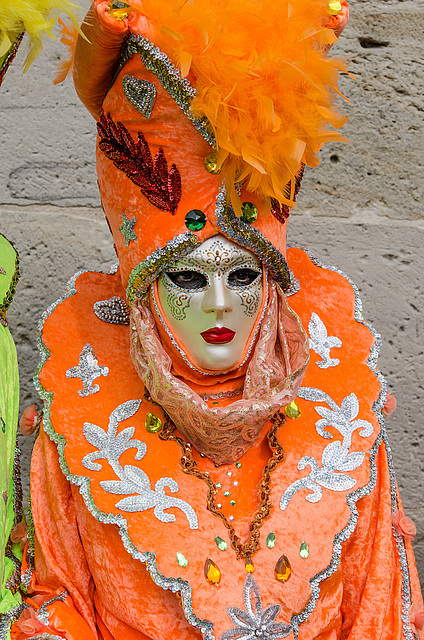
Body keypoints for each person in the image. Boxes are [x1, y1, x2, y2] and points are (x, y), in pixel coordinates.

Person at [3, 0, 424, 638]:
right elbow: (51, 603)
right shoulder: (78, 418)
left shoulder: (345, 415)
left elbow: (382, 610)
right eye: (188, 278)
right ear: (142, 292)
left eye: (243, 276)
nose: (220, 306)